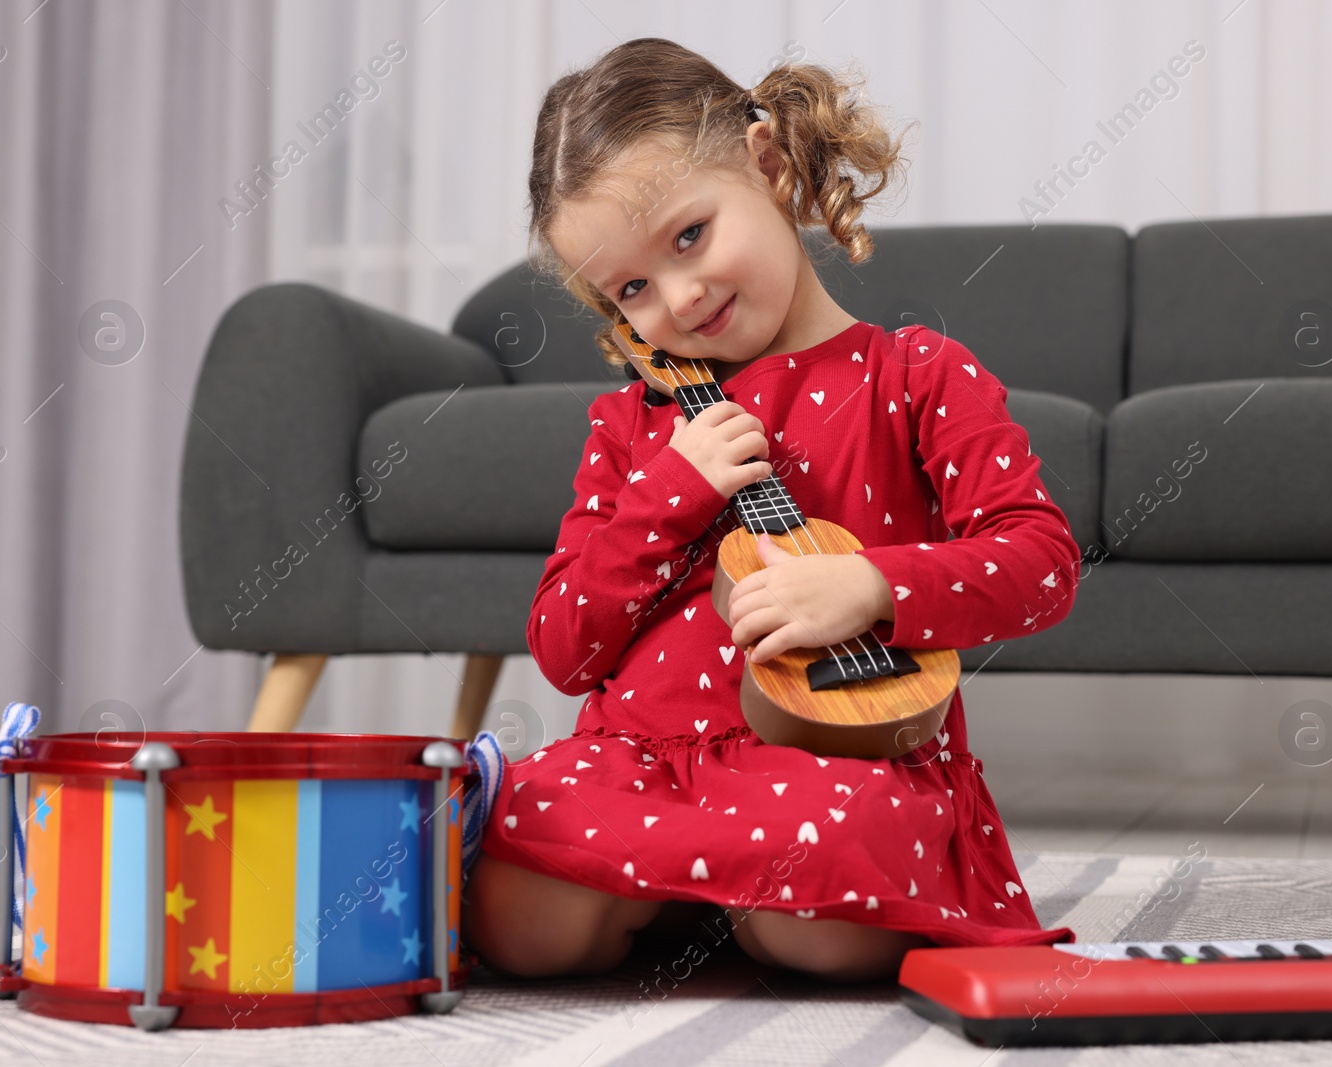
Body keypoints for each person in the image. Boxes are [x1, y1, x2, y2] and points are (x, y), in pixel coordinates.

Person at [461, 37, 1082, 984]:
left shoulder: (916, 375)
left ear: (766, 162)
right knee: (513, 910)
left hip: (831, 761)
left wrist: (873, 585)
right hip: (642, 765)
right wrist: (671, 490)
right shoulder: (633, 424)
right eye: (631, 287)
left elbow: (1041, 563)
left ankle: (683, 897)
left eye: (688, 236)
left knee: (822, 917)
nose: (681, 295)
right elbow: (562, 645)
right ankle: (693, 891)